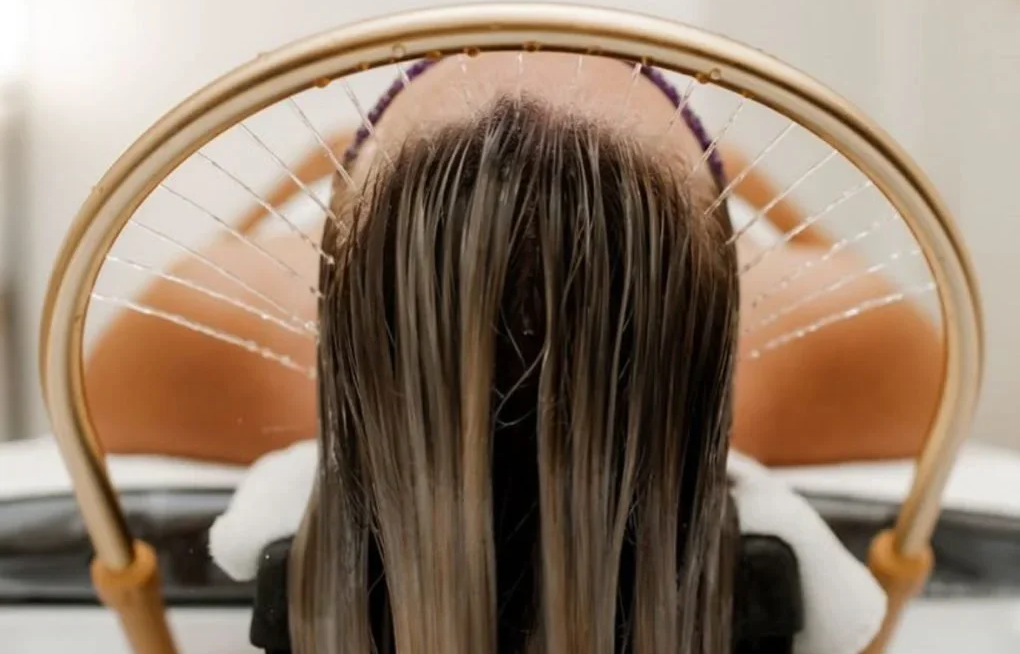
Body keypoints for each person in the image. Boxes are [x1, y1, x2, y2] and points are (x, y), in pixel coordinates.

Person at [85, 54, 942, 469]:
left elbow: (221, 256)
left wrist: (325, 158)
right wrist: (744, 181)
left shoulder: (199, 323)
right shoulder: (854, 333)